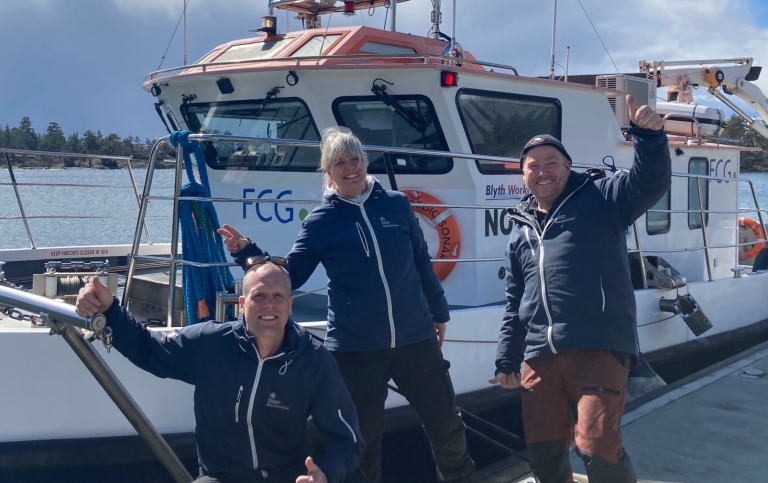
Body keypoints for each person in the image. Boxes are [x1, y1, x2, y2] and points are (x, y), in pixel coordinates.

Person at [218, 126, 475, 483]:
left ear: (364, 161)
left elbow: (420, 264)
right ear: (328, 171)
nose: (350, 167)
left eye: (355, 159)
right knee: (361, 441)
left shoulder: (397, 205)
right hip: (356, 349)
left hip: (416, 337)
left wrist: (439, 312)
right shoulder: (322, 221)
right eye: (340, 162)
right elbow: (293, 274)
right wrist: (249, 254)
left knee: (446, 426)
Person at [489, 95, 671, 483]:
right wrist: (507, 360)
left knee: (596, 442)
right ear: (522, 174)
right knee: (543, 448)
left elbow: (649, 182)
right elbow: (514, 303)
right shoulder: (520, 231)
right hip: (540, 353)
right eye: (532, 166)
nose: (542, 173)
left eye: (551, 163)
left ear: (568, 167)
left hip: (599, 344)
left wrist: (649, 138)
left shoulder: (603, 198)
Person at [75, 258, 366, 483]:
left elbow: (348, 440)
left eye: (278, 297)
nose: (269, 305)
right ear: (242, 305)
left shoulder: (314, 360)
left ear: (290, 306)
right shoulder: (210, 343)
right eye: (259, 296)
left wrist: (325, 474)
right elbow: (147, 349)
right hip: (220, 477)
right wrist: (109, 309)